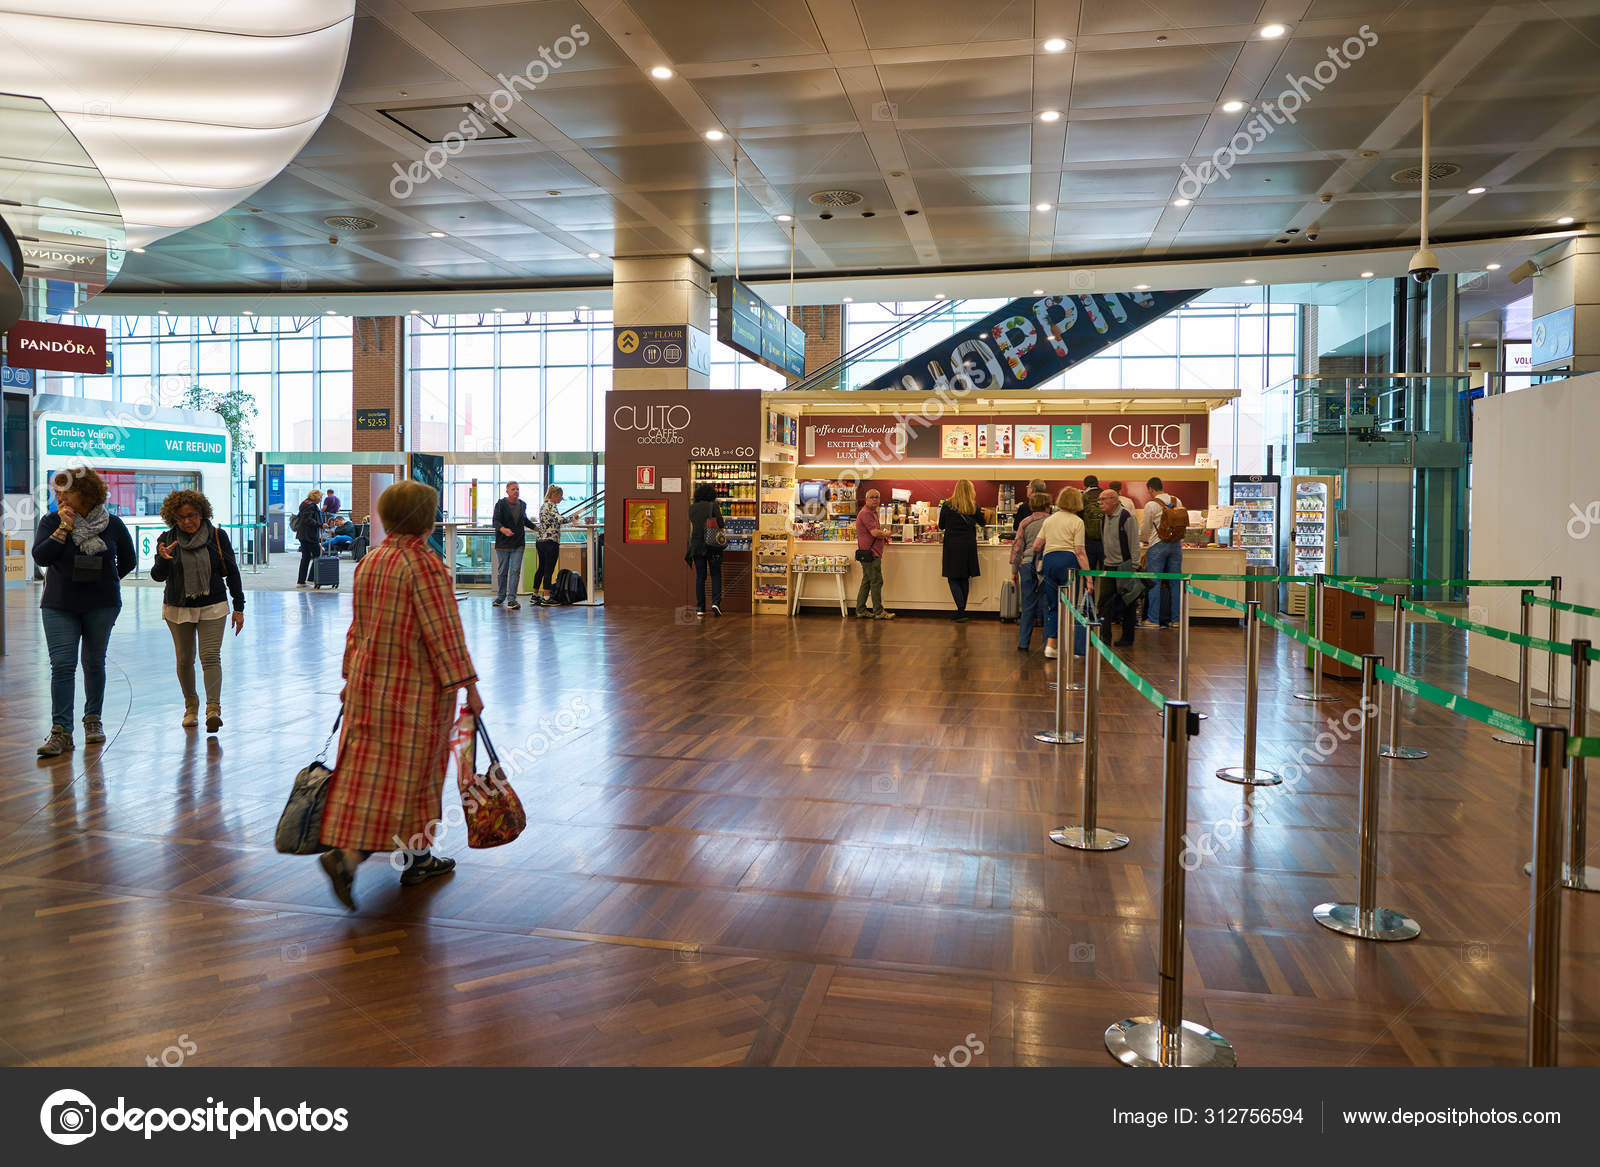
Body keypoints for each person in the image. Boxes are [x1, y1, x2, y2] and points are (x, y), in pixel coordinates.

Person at [317, 481, 483, 911]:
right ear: (426, 519)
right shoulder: (425, 565)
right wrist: (469, 686)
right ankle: (415, 859)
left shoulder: (371, 561)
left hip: (369, 689)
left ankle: (353, 854)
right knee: (420, 778)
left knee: (373, 777)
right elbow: (444, 633)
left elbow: (358, 629)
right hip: (417, 696)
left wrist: (349, 676)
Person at [31, 467, 136, 757]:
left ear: (86, 493)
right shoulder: (51, 521)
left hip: (101, 604)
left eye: (66, 490)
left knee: (93, 662)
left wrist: (106, 580)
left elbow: (128, 560)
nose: (59, 496)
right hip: (59, 604)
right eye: (56, 490)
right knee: (63, 665)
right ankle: (61, 732)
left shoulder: (112, 524)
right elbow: (41, 556)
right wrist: (63, 529)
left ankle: (93, 720)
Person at [150, 489, 245, 732]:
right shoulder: (167, 538)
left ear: (201, 513)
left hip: (212, 605)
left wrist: (238, 606)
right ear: (173, 519)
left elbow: (232, 571)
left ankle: (213, 708)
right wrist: (163, 558)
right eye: (181, 518)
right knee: (184, 659)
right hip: (178, 606)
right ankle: (191, 706)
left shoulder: (217, 536)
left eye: (192, 515)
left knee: (210, 656)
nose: (187, 522)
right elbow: (157, 576)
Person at [1032, 487, 1089, 659]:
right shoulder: (1077, 522)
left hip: (1049, 562)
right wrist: (1089, 578)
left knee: (1053, 606)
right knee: (1071, 606)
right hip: (1068, 564)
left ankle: (1051, 645)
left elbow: (1036, 545)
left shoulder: (1049, 520)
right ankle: (1070, 648)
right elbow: (1079, 551)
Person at [1097, 488, 1141, 647]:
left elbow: (1134, 543)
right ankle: (1104, 636)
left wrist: (1134, 567)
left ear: (1114, 500)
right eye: (1099, 500)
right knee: (1104, 603)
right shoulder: (1103, 518)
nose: (1100, 503)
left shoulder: (1126, 517)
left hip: (1125, 566)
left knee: (1128, 603)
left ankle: (1127, 638)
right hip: (1108, 565)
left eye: (1104, 499)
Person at [1141, 476, 1185, 628]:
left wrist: (1142, 538)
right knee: (1175, 582)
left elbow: (1145, 529)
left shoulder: (1151, 505)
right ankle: (1176, 620)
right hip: (1176, 545)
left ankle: (1153, 619)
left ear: (1151, 489)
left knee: (1155, 582)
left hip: (1158, 545)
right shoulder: (1176, 501)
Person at [1011, 489, 1052, 652]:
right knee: (1048, 605)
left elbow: (1017, 547)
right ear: (1047, 506)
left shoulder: (1025, 522)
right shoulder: (1052, 521)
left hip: (1026, 565)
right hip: (1046, 564)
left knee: (1027, 605)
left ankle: (1023, 643)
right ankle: (1047, 644)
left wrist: (1014, 570)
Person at [938, 480, 983, 622]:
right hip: (968, 545)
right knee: (964, 577)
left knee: (953, 577)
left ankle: (960, 609)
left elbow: (941, 525)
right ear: (971, 491)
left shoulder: (947, 505)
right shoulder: (973, 506)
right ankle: (962, 610)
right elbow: (982, 522)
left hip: (952, 545)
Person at [491, 481, 535, 609]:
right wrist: (503, 529)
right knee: (503, 571)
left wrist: (535, 527)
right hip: (503, 543)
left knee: (515, 571)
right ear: (507, 491)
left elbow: (524, 520)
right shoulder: (500, 504)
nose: (516, 491)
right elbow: (495, 521)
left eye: (517, 489)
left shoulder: (522, 505)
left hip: (518, 542)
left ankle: (512, 599)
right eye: (513, 489)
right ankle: (500, 596)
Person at [854, 487, 894, 620]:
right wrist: (887, 533)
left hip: (870, 553)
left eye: (877, 497)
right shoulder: (866, 513)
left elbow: (875, 532)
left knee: (867, 581)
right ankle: (878, 611)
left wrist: (883, 536)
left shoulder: (872, 512)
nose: (875, 499)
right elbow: (875, 533)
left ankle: (861, 610)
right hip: (870, 554)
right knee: (877, 581)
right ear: (866, 499)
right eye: (872, 497)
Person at [685, 483, 725, 617]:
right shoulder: (713, 506)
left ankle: (700, 608)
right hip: (712, 545)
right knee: (715, 574)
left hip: (696, 546)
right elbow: (721, 523)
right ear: (711, 495)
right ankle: (715, 603)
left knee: (700, 577)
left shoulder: (692, 508)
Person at [530, 485, 564, 606]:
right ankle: (546, 597)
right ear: (554, 495)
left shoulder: (543, 505)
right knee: (549, 569)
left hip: (540, 541)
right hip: (551, 541)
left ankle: (534, 595)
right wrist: (573, 517)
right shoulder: (552, 505)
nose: (561, 498)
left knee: (541, 568)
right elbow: (560, 519)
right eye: (560, 496)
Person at [294, 489, 323, 587]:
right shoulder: (310, 505)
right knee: (317, 554)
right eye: (320, 497)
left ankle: (301, 581)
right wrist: (320, 525)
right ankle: (311, 578)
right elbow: (308, 520)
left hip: (303, 534)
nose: (321, 499)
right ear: (316, 497)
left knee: (305, 557)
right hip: (309, 535)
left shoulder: (305, 503)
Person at [1079, 474, 1105, 569]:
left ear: (1085, 486)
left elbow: (1078, 517)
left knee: (1089, 570)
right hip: (1105, 539)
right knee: (1105, 571)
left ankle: (1089, 583)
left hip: (1088, 539)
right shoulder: (1105, 495)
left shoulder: (1083, 497)